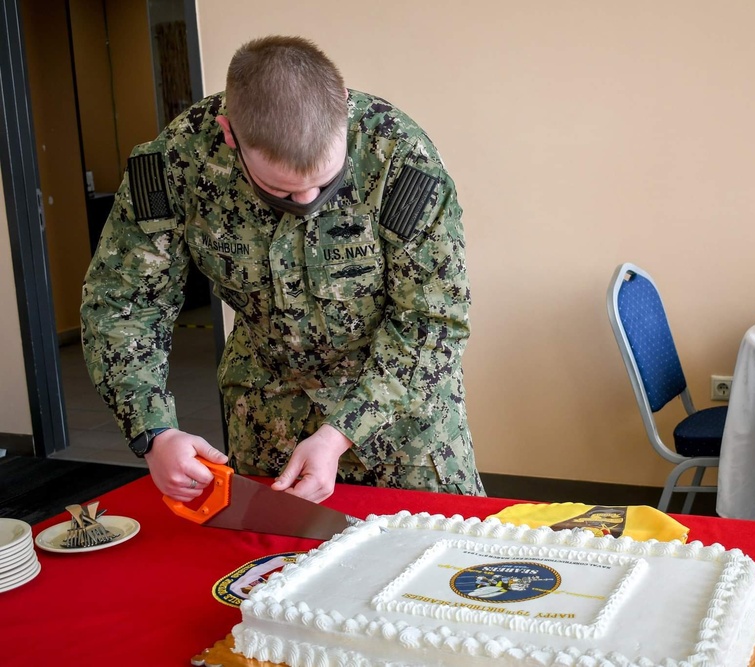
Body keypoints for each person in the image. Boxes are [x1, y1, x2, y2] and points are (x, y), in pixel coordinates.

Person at [80, 35, 484, 504]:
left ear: (344, 112)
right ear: (230, 135)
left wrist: (340, 434)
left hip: (403, 420)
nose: (308, 204)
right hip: (268, 418)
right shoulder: (178, 163)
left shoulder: (400, 159)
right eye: (283, 191)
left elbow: (432, 322)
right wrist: (152, 431)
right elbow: (122, 305)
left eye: (325, 184)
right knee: (274, 568)